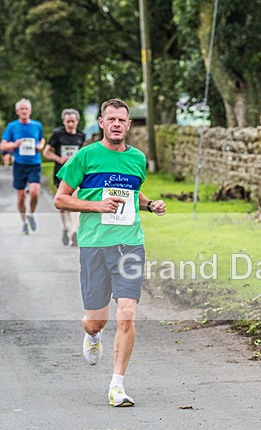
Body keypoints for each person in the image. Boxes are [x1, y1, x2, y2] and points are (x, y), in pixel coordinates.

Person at [54, 98, 166, 407]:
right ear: (102, 123)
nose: (117, 124)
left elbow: (131, 192)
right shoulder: (85, 156)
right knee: (97, 320)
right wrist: (95, 205)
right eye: (111, 119)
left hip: (130, 243)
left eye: (122, 120)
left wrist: (150, 203)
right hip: (94, 245)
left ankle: (117, 385)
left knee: (127, 314)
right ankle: (91, 334)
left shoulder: (137, 159)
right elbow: (61, 199)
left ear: (129, 125)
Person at [0, 99, 45, 235]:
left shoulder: (37, 125)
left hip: (34, 163)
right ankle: (24, 222)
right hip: (19, 165)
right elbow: (2, 145)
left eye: (26, 109)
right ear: (17, 111)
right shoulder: (12, 127)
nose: (24, 111)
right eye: (22, 109)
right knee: (21, 197)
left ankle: (31, 214)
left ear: (30, 111)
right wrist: (14, 145)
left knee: (34, 192)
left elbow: (42, 139)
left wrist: (41, 146)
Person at [43, 108, 86, 246]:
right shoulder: (57, 134)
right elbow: (46, 152)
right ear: (64, 121)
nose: (70, 124)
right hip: (60, 173)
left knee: (75, 199)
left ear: (77, 122)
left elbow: (84, 155)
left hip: (76, 174)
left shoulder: (81, 136)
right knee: (62, 202)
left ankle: (75, 230)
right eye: (68, 121)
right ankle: (65, 226)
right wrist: (59, 159)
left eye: (73, 121)